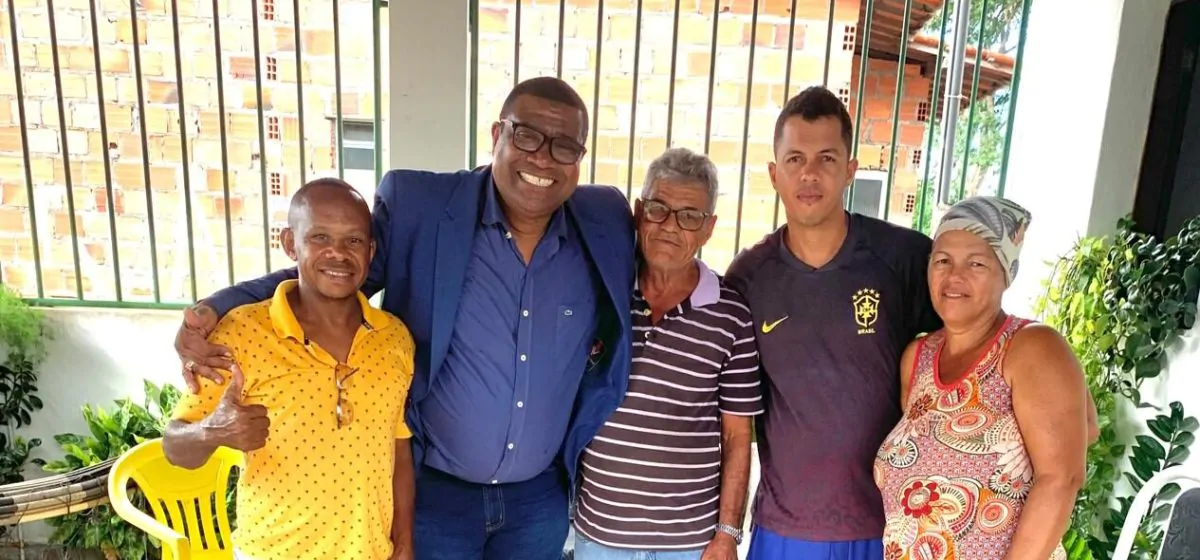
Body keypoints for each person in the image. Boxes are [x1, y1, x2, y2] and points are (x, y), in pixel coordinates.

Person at [171, 77, 636, 560]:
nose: (542, 158)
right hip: (438, 495)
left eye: (564, 146)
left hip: (537, 501)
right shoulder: (423, 208)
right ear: (497, 134)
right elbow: (334, 270)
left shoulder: (604, 220)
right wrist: (213, 309)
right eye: (527, 136)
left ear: (579, 158)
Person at [724, 86, 943, 559]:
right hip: (785, 530)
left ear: (850, 170)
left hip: (888, 524)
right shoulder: (749, 277)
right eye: (795, 159)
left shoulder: (903, 258)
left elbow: (972, 337)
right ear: (774, 174)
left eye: (826, 158)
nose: (810, 174)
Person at [162, 178, 416, 560]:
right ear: (289, 244)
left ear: (371, 251)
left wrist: (404, 541)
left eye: (353, 240)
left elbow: (398, 447)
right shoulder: (240, 333)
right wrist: (212, 432)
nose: (338, 253)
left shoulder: (394, 339)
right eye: (319, 237)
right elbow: (174, 447)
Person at [572, 148, 763, 560]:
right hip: (600, 535)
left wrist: (727, 534)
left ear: (708, 229)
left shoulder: (731, 315)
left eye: (689, 216)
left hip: (690, 544)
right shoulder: (602, 295)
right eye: (658, 209)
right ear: (639, 212)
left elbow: (736, 437)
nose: (670, 226)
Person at [874, 196, 1085, 559]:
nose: (955, 276)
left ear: (1005, 273)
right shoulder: (918, 358)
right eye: (943, 261)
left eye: (976, 263)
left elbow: (1061, 479)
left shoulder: (1031, 348)